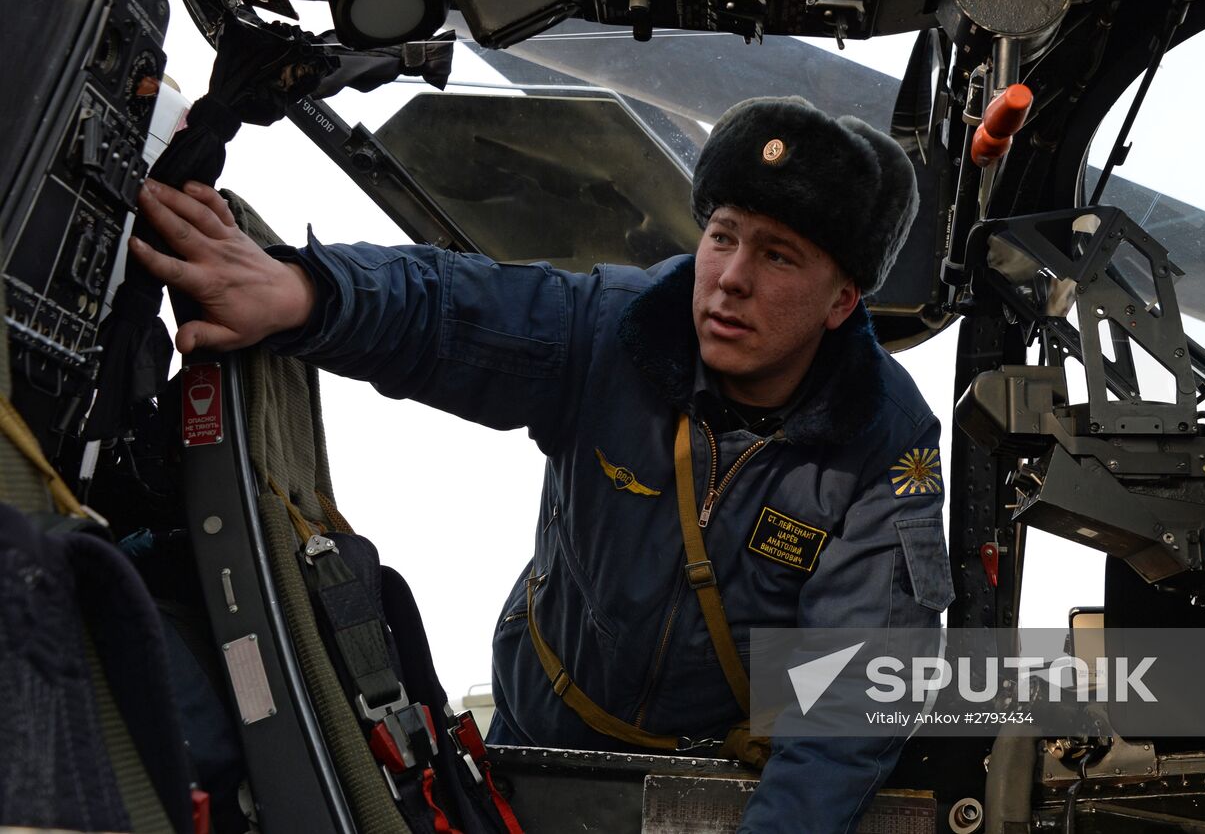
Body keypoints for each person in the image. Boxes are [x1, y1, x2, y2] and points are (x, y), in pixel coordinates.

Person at [130, 95, 955, 832]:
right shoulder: (617, 328)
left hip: (712, 779)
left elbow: (846, 707)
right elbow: (453, 308)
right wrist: (307, 294)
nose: (730, 279)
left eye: (777, 257)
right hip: (537, 737)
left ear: (842, 300)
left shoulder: (884, 442)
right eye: (723, 236)